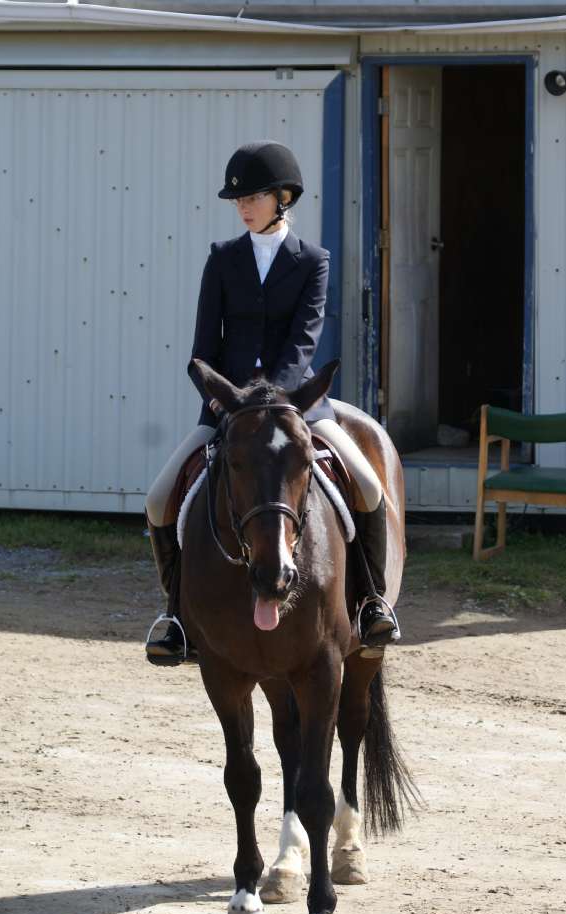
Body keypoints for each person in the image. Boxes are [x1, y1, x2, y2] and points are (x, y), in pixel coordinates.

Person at [145, 140, 396, 664]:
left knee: (369, 486)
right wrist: (222, 400)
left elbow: (304, 341)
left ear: (282, 198)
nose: (243, 206)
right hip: (227, 409)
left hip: (298, 408)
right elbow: (201, 351)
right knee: (158, 498)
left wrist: (274, 402)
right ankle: (176, 616)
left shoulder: (313, 262)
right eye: (238, 199)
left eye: (253, 196)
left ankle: (371, 602)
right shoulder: (222, 259)